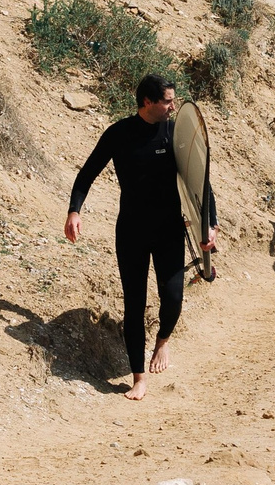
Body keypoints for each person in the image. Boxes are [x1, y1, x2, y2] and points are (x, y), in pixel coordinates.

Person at [66, 74, 219, 401]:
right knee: (133, 305)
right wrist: (74, 211)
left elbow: (200, 181)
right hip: (132, 231)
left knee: (174, 297)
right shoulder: (119, 134)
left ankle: (162, 340)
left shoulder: (174, 132)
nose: (173, 106)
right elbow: (87, 173)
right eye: (167, 101)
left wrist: (210, 224)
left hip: (168, 231)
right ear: (147, 102)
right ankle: (139, 378)